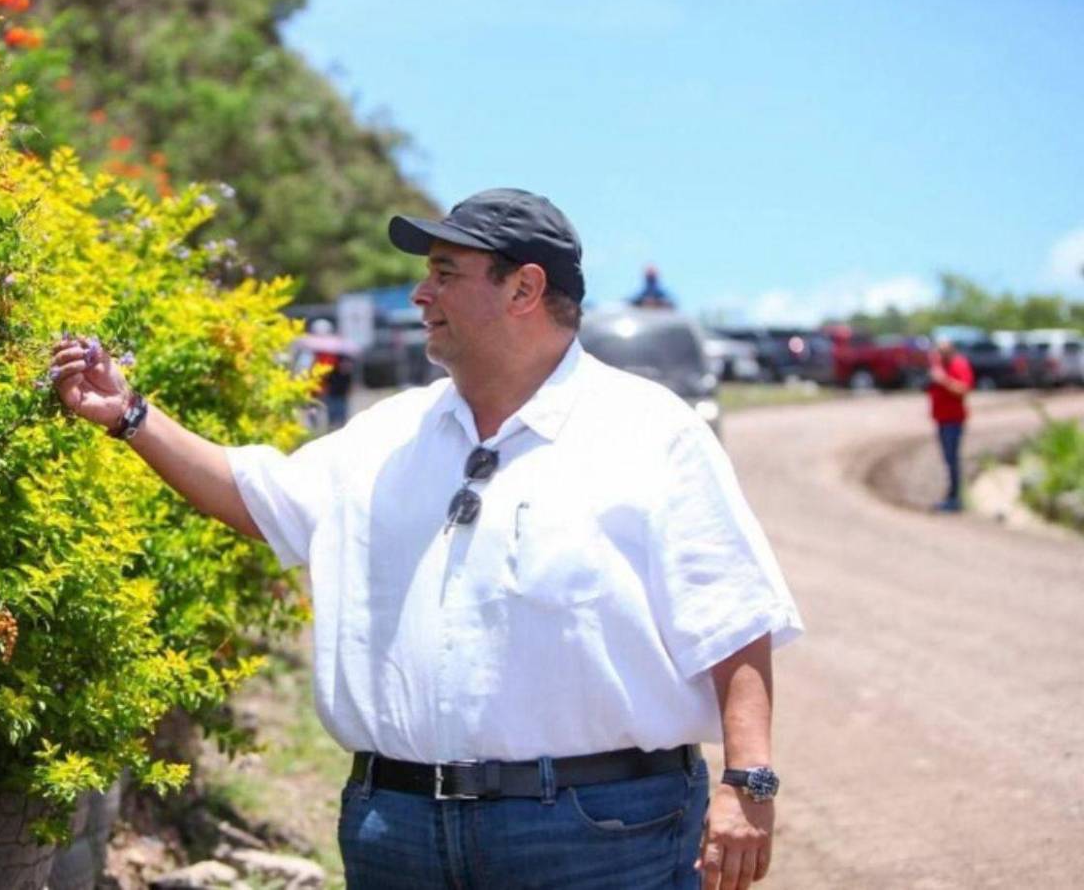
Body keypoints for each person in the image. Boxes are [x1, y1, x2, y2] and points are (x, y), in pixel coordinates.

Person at [49, 188, 803, 890]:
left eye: (445, 273)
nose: (421, 295)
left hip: (596, 836)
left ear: (524, 290)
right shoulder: (388, 433)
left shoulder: (648, 431)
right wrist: (129, 416)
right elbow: (257, 498)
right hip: (398, 830)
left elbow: (733, 619)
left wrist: (750, 782)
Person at [927, 337, 975, 512]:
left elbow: (964, 390)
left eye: (943, 352)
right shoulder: (938, 366)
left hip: (953, 420)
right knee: (948, 459)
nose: (940, 355)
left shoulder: (959, 365)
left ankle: (955, 499)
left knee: (952, 459)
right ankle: (951, 496)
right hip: (940, 419)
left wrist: (944, 380)